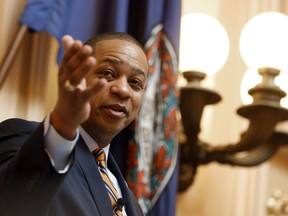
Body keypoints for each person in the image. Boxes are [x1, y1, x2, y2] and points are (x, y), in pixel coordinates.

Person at [0, 32, 148, 216]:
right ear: (79, 76)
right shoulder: (24, 139)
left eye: (135, 82)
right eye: (108, 73)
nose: (123, 90)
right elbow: (12, 205)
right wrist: (63, 125)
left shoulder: (133, 204)